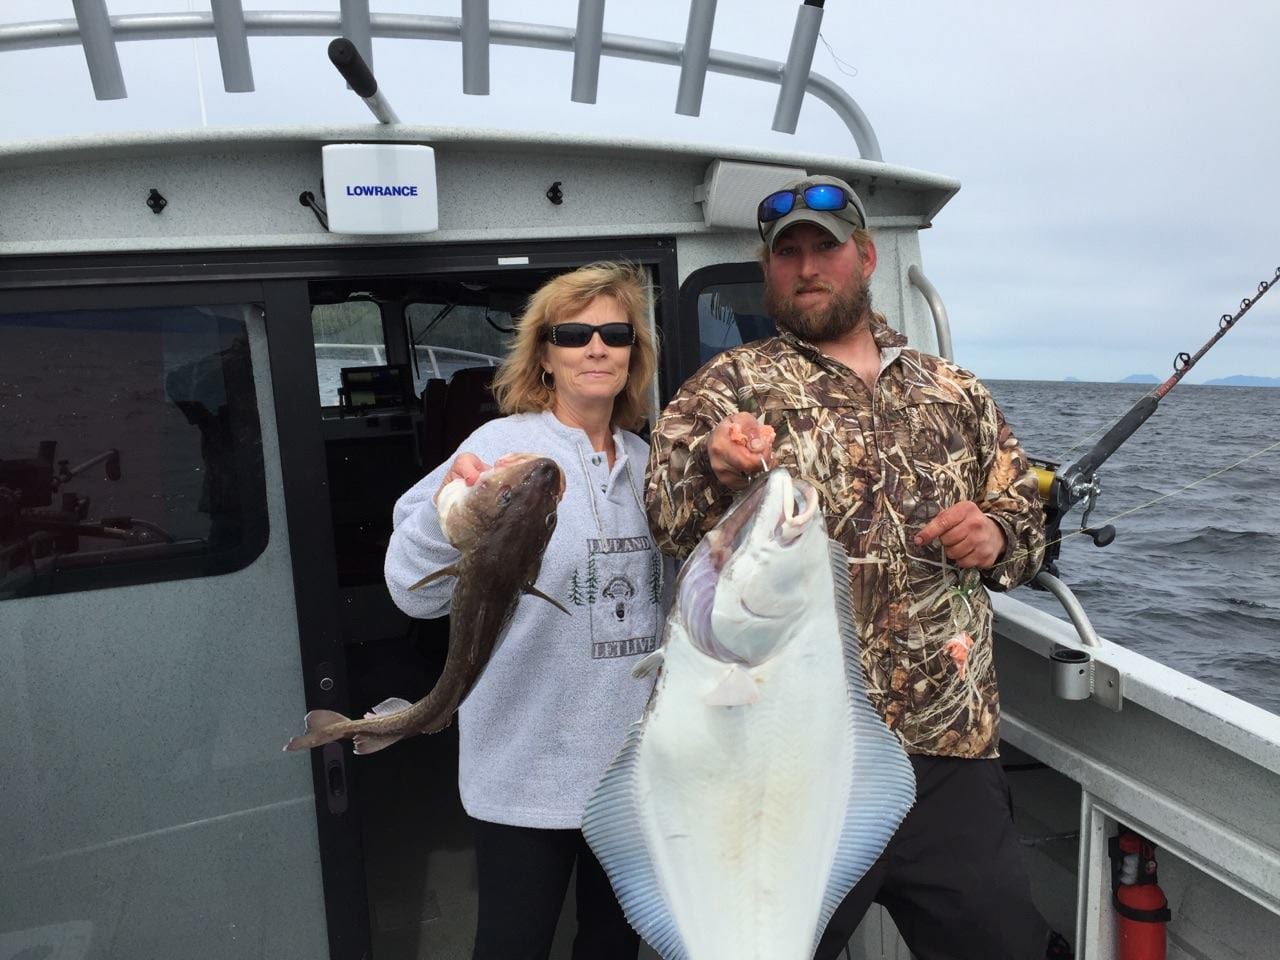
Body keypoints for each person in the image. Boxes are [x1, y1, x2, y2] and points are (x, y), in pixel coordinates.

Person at [645, 175, 1069, 960]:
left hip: (950, 751)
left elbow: (1027, 521)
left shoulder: (955, 391)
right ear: (767, 270)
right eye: (788, 254)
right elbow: (666, 518)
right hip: (792, 760)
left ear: (866, 257)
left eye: (824, 249)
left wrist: (1001, 538)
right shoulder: (732, 386)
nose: (807, 267)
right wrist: (713, 464)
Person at [385, 262, 670, 960]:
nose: (596, 346)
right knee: (512, 945)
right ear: (544, 354)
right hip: (525, 770)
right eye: (574, 333)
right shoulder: (497, 452)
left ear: (635, 354)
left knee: (613, 948)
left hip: (632, 777)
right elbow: (412, 589)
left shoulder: (653, 462)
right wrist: (448, 513)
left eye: (615, 332)